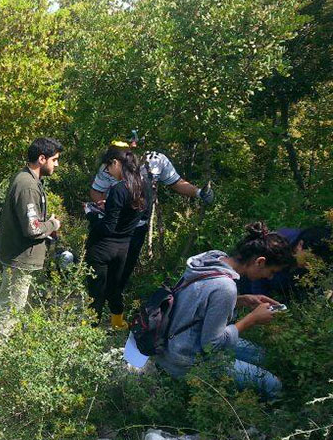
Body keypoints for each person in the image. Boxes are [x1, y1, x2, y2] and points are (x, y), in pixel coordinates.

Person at [153, 222, 295, 400]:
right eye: (271, 271)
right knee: (274, 385)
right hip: (185, 361)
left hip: (171, 344)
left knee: (262, 355)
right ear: (260, 261)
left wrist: (240, 301)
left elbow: (200, 302)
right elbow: (212, 345)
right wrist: (252, 319)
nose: (270, 277)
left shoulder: (212, 259)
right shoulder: (225, 287)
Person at [89, 132, 214, 300]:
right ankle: (98, 303)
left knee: (124, 270)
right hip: (115, 226)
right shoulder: (112, 164)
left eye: (135, 140)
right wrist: (106, 208)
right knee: (104, 271)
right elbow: (96, 191)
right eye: (129, 141)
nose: (133, 144)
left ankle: (113, 303)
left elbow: (176, 182)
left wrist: (198, 193)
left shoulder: (156, 160)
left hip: (138, 227)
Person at [0, 137, 63, 337]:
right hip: (20, 259)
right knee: (9, 309)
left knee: (14, 305)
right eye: (54, 160)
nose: (57, 164)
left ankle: (5, 345)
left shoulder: (26, 179)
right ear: (42, 158)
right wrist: (53, 224)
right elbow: (32, 229)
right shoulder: (28, 185)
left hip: (19, 256)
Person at [85, 146, 150, 328]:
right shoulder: (143, 185)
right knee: (115, 287)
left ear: (115, 163)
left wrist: (91, 214)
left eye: (108, 167)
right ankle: (118, 323)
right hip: (124, 247)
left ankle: (90, 329)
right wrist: (110, 206)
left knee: (96, 291)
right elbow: (141, 214)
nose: (108, 171)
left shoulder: (119, 189)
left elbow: (108, 227)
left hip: (102, 248)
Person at [238, 225, 332, 298]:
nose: (310, 266)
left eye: (315, 264)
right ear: (300, 245)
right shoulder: (278, 244)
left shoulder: (322, 259)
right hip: (248, 282)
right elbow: (258, 275)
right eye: (308, 260)